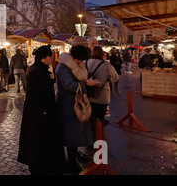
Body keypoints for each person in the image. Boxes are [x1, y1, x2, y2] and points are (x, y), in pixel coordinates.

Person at [18, 45, 66, 175]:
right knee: (39, 139)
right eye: (50, 56)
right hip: (40, 114)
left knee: (45, 139)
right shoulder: (36, 72)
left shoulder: (41, 69)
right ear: (44, 58)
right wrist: (43, 111)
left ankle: (46, 164)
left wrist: (51, 79)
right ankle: (39, 165)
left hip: (44, 112)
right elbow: (37, 94)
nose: (52, 58)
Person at [56, 44, 98, 174]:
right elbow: (68, 85)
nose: (80, 62)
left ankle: (74, 158)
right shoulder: (63, 67)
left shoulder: (74, 65)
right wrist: (85, 83)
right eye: (80, 59)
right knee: (71, 132)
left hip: (75, 102)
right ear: (75, 57)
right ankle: (71, 162)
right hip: (68, 104)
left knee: (75, 132)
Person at [86, 46, 118, 137]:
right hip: (102, 97)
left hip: (88, 95)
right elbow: (115, 78)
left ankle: (90, 138)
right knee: (99, 119)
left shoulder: (86, 63)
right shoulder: (106, 65)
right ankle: (98, 139)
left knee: (90, 118)